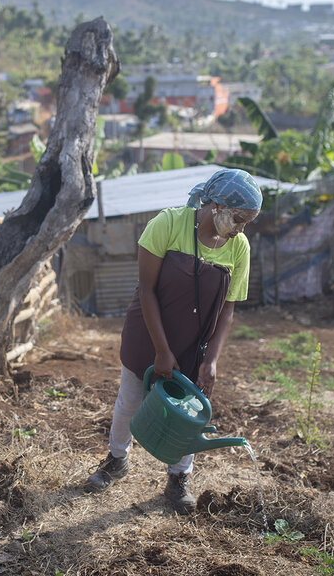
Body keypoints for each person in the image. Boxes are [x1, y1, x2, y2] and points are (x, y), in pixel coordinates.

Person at [85, 168, 262, 513]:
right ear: (216, 206)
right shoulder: (167, 224)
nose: (241, 229)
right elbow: (147, 290)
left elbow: (227, 311)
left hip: (195, 340)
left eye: (247, 222)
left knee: (189, 414)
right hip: (149, 331)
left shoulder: (239, 247)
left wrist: (211, 359)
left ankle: (178, 478)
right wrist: (162, 351)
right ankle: (116, 459)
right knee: (131, 400)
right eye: (238, 219)